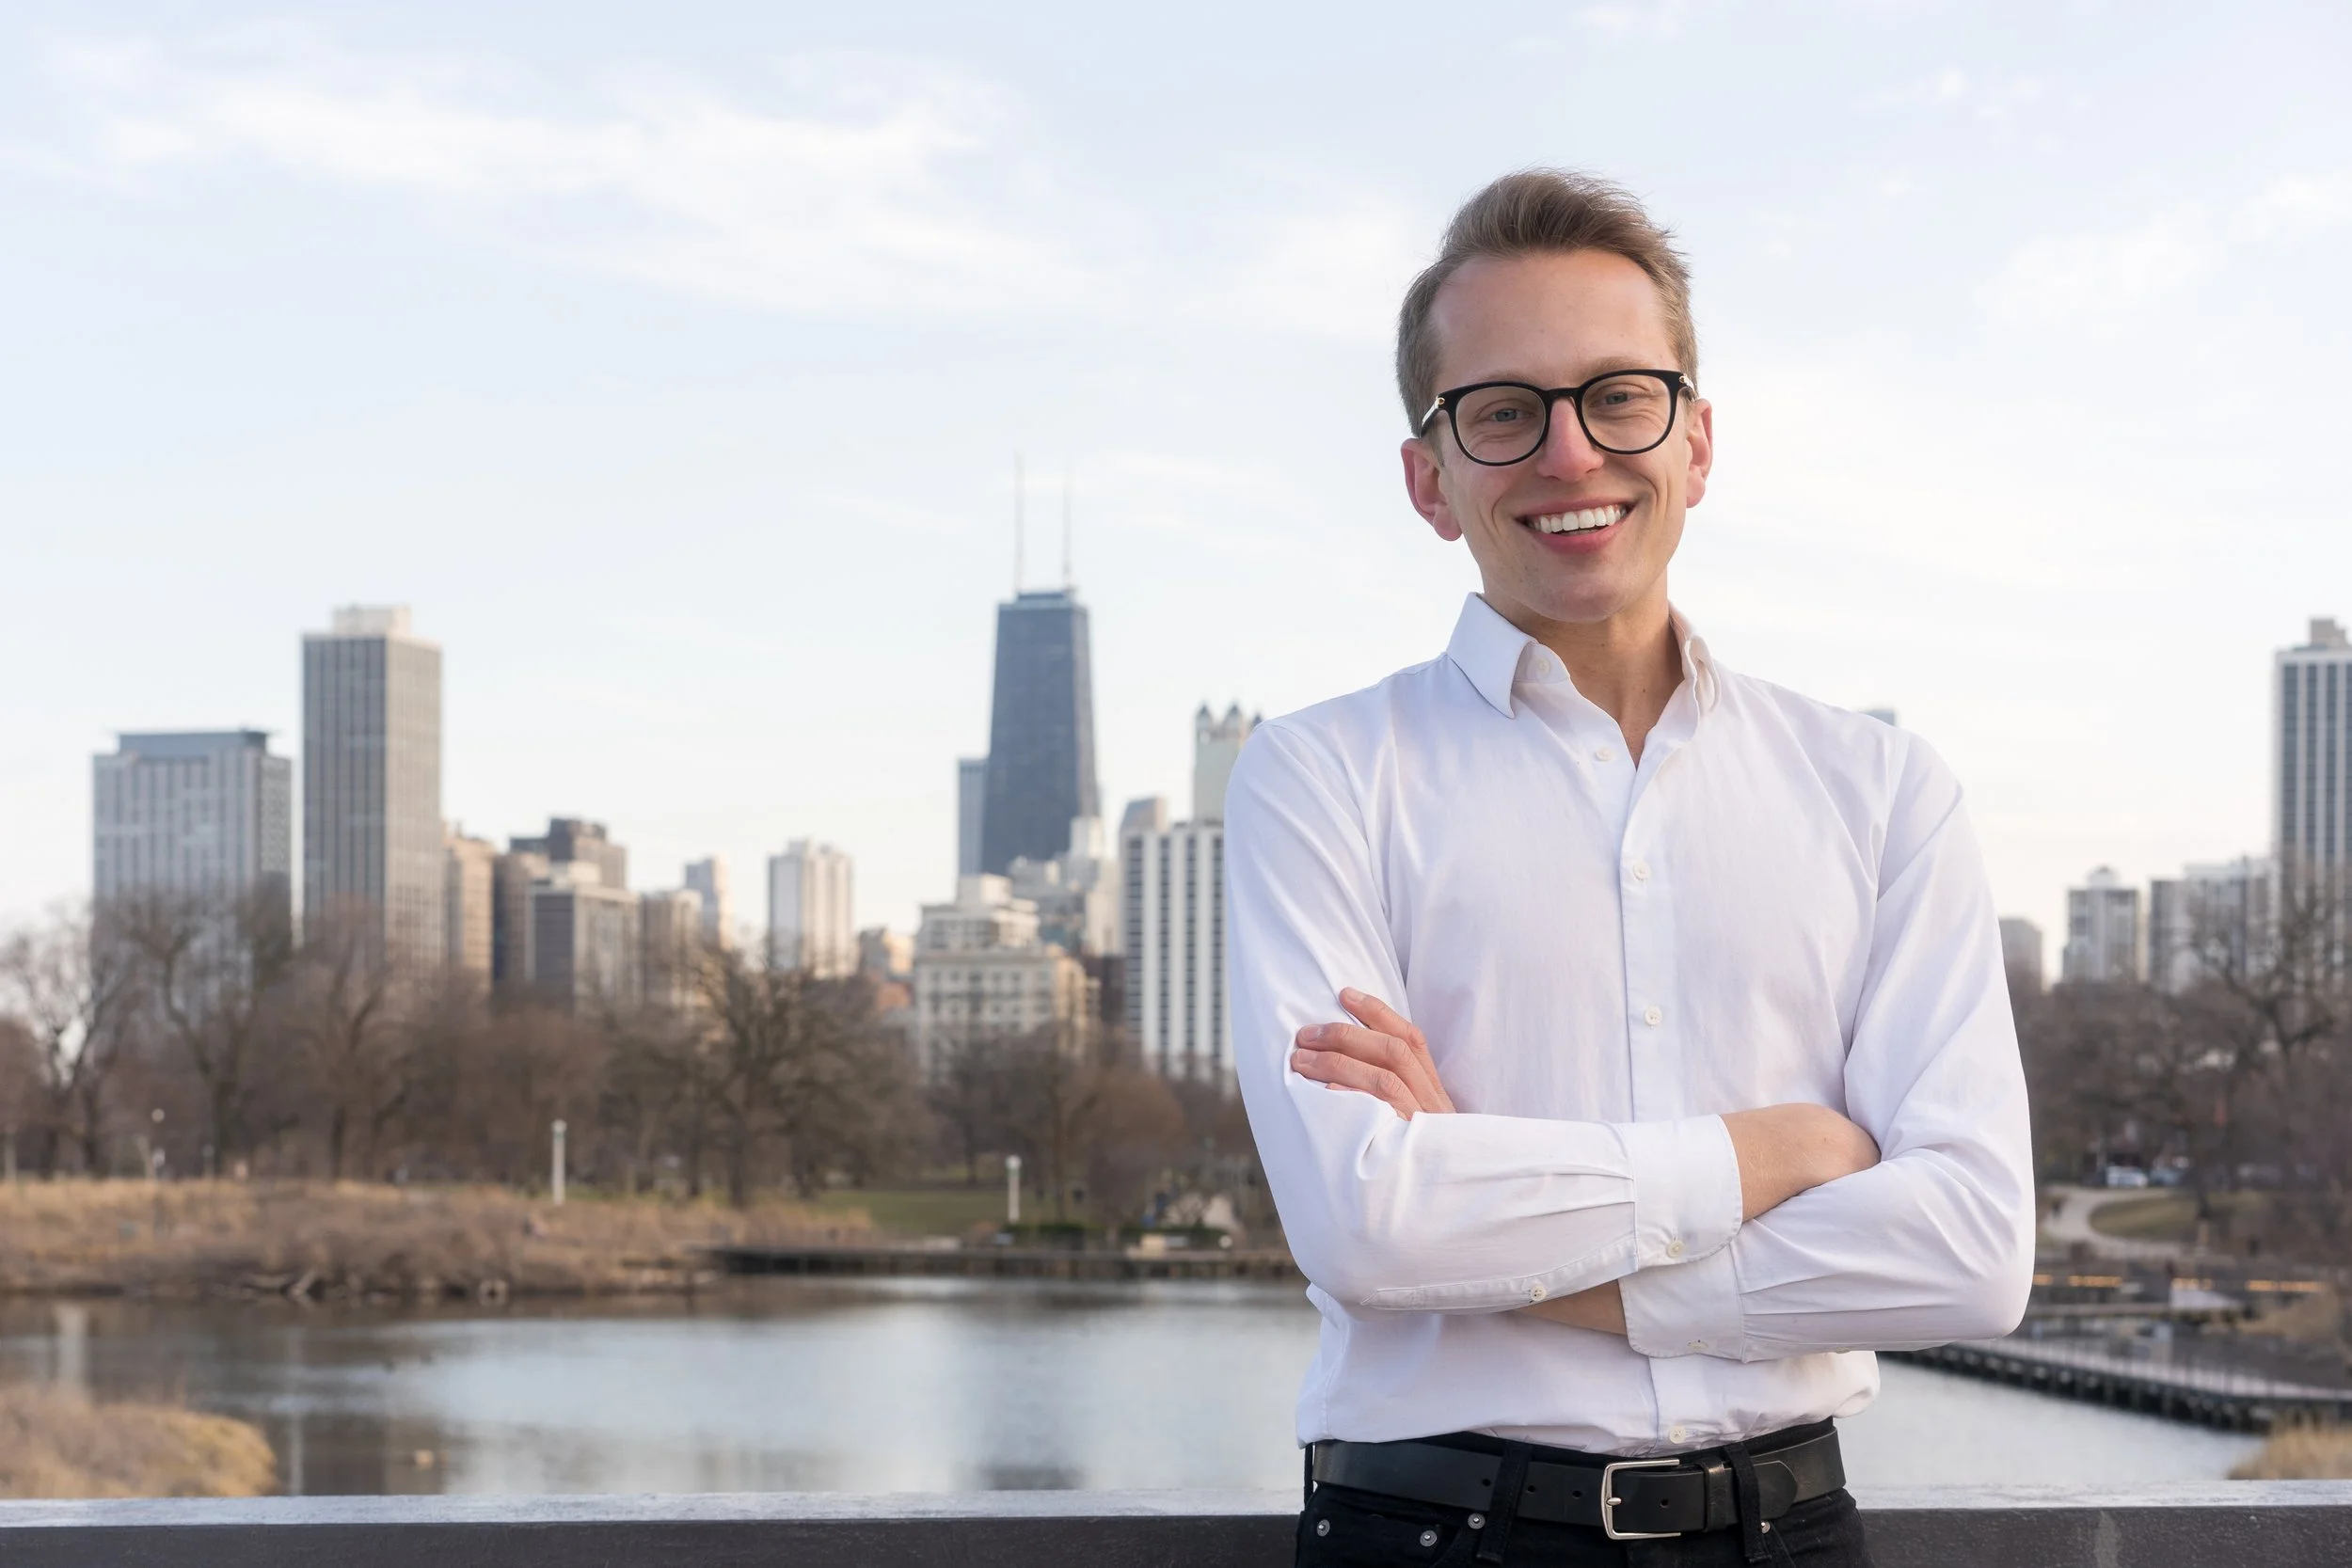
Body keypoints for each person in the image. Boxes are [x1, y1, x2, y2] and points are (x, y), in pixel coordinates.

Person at [1225, 169, 2035, 1567]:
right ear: (1431, 479)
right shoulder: (1320, 775)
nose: (1570, 452)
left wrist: (1523, 1263)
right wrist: (1771, 1153)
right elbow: (1367, 1220)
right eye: (1503, 410)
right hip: (1436, 1537)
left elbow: (1970, 1247)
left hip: (1789, 1533)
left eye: (1618, 395)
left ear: (1698, 443)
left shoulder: (1882, 790)